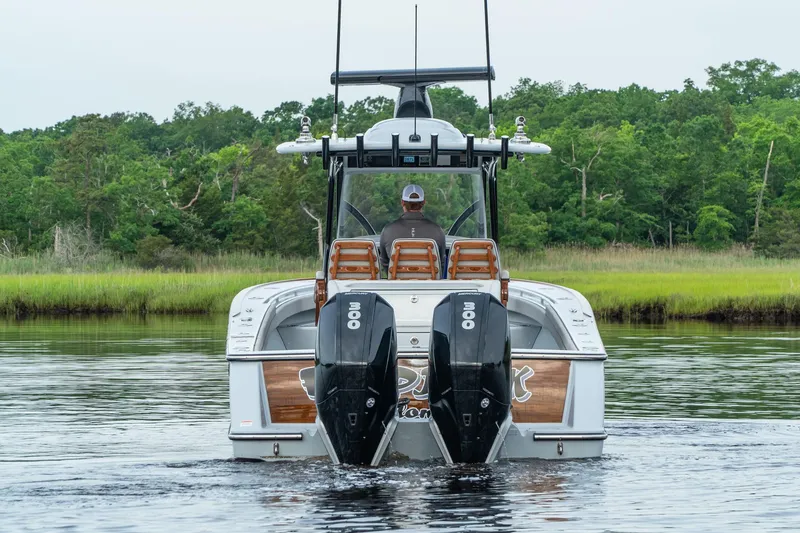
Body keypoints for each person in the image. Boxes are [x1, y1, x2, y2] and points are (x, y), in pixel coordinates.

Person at [379, 184, 447, 274]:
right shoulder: (437, 231)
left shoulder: (387, 231)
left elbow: (384, 263)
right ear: (423, 203)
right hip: (428, 286)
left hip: (398, 287)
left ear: (402, 202)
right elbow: (441, 264)